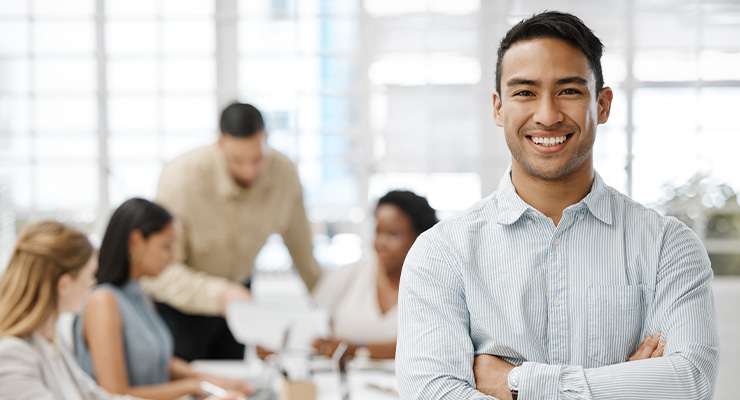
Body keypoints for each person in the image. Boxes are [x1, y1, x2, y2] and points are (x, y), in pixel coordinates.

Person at [396, 11, 719, 400]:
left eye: (568, 90)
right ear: (498, 108)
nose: (547, 115)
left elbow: (690, 383)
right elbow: (432, 394)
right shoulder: (440, 254)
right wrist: (622, 384)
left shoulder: (668, 246)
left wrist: (517, 383)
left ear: (602, 104)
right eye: (525, 92)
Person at [140, 102, 323, 361]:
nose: (250, 171)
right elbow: (160, 274)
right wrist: (219, 294)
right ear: (220, 144)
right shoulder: (181, 181)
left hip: (239, 300)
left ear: (266, 139)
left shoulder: (285, 175)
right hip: (183, 307)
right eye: (237, 160)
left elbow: (305, 257)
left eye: (258, 158)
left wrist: (329, 310)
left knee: (235, 382)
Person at [73, 198, 253, 399]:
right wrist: (194, 386)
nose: (173, 257)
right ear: (136, 241)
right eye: (166, 246)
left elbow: (154, 359)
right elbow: (116, 394)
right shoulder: (103, 301)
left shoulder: (139, 294)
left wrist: (206, 378)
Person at [309, 190, 438, 359]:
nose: (380, 243)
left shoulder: (436, 287)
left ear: (420, 237)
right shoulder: (348, 275)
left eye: (393, 234)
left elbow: (428, 346)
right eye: (378, 232)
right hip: (341, 381)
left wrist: (356, 349)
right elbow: (311, 334)